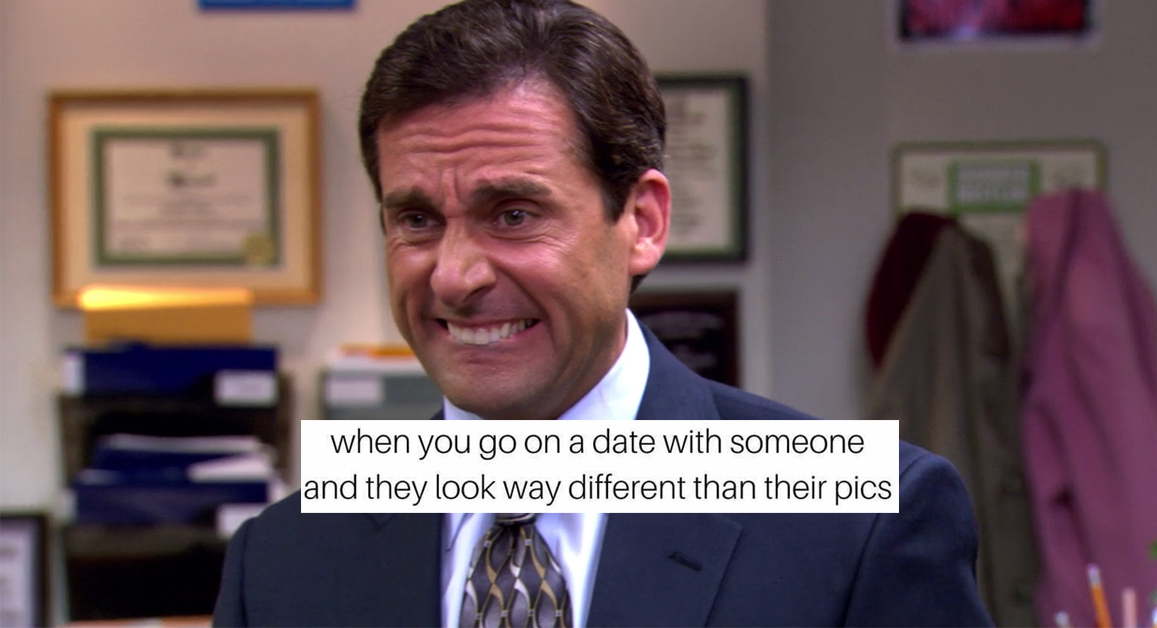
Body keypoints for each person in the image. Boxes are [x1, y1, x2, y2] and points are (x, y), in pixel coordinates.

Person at [213, 0, 993, 626]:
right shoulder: (282, 560)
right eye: (416, 220)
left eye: (513, 214)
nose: (454, 276)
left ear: (643, 222)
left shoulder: (862, 519)